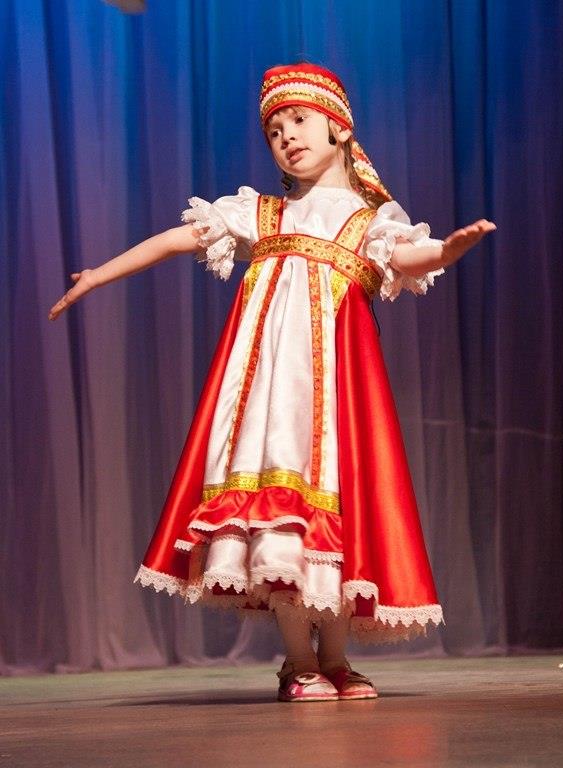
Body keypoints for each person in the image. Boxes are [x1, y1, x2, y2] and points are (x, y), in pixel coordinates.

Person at [49, 62, 496, 703]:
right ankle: (298, 660)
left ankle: (335, 658)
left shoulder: (368, 219)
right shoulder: (262, 215)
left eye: (300, 120)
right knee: (277, 518)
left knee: (333, 512)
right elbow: (176, 239)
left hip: (334, 400)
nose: (287, 136)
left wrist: (447, 250)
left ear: (340, 128)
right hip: (268, 403)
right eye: (275, 130)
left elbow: (406, 255)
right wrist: (100, 273)